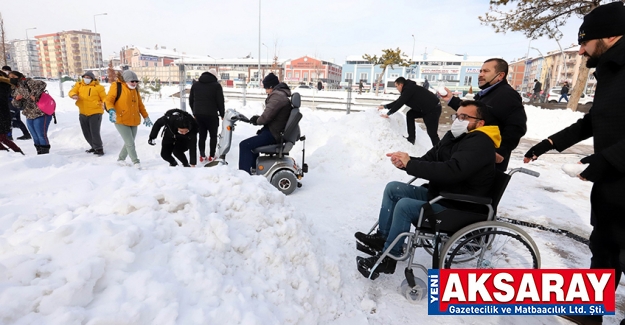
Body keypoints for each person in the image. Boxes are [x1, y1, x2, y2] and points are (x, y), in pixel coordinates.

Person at [524, 3, 625, 325]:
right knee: (604, 248)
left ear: (609, 36)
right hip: (612, 186)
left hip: (619, 176)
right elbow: (593, 121)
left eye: (585, 42)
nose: (580, 51)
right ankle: (591, 310)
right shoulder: (611, 72)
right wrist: (548, 144)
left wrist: (606, 160)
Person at [355, 100, 500, 278]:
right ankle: (383, 239)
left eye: (464, 117)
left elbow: (452, 171)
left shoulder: (479, 142)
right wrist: (406, 163)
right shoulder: (455, 137)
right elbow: (429, 159)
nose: (458, 120)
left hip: (459, 205)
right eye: (457, 116)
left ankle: (389, 258)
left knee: (405, 206)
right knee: (393, 189)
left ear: (480, 123)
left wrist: (411, 165)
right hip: (443, 194)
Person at [440, 58, 527, 172]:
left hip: (489, 159)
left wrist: (501, 151)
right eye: (480, 71)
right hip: (474, 152)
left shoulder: (507, 95)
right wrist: (451, 99)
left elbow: (517, 126)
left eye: (486, 71)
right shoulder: (485, 94)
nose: (480, 75)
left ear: (500, 75)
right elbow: (471, 112)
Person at [239, 72, 292, 174]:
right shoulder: (281, 94)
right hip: (276, 131)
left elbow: (266, 117)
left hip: (274, 134)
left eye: (266, 88)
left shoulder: (277, 96)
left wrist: (257, 120)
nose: (266, 91)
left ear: (271, 86)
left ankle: (243, 175)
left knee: (245, 145)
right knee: (252, 144)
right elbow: (271, 114)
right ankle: (254, 169)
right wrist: (258, 119)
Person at [104, 70, 152, 169]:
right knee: (130, 143)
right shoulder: (117, 87)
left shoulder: (135, 90)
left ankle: (121, 159)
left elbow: (140, 105)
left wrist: (145, 116)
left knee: (129, 142)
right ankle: (136, 162)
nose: (134, 83)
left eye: (136, 81)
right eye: (132, 81)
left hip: (134, 120)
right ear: (125, 80)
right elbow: (109, 100)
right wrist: (111, 110)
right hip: (120, 119)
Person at [378, 77, 442, 146]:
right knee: (410, 114)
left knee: (432, 134)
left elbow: (400, 103)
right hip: (425, 109)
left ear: (401, 85)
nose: (396, 88)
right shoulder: (408, 88)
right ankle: (411, 138)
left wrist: (388, 114)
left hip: (433, 109)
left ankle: (440, 153)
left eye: (396, 86)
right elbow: (399, 101)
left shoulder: (409, 89)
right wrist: (384, 106)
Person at [9, 71, 51, 154]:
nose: (12, 78)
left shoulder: (28, 82)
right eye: (10, 77)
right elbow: (16, 105)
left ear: (19, 76)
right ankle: (39, 151)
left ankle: (45, 152)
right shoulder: (16, 88)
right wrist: (17, 99)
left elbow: (42, 84)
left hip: (40, 112)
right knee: (34, 136)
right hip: (29, 114)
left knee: (41, 134)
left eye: (14, 76)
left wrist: (34, 95)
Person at [189, 69, 224, 163]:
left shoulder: (195, 85)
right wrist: (222, 114)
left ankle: (202, 155)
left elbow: (191, 100)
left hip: (199, 115)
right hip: (212, 115)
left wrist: (195, 112)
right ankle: (211, 156)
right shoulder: (216, 86)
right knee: (213, 136)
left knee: (202, 136)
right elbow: (220, 102)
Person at [69, 71, 107, 156]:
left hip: (95, 112)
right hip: (83, 112)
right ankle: (93, 146)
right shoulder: (79, 85)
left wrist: (105, 105)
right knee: (86, 132)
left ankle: (99, 148)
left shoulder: (98, 87)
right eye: (85, 77)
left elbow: (105, 98)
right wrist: (74, 95)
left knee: (94, 131)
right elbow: (71, 92)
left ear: (92, 79)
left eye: (88, 77)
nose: (86, 79)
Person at [0, 71, 23, 154]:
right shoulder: (5, 85)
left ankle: (13, 153)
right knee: (3, 138)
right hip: (4, 115)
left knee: (2, 138)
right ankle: (14, 153)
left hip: (2, 116)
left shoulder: (2, 86)